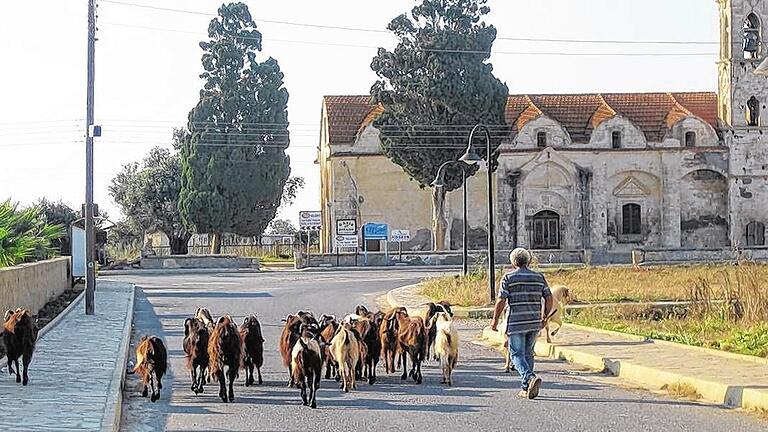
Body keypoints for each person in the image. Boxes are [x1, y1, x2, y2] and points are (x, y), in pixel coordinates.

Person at [490, 247, 553, 399]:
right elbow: (549, 298)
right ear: (529, 261)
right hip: (533, 322)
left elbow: (501, 300)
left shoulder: (508, 278)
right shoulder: (539, 277)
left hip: (516, 322)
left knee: (516, 354)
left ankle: (529, 378)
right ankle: (526, 388)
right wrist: (545, 317)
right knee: (528, 353)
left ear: (513, 263)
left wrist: (495, 320)